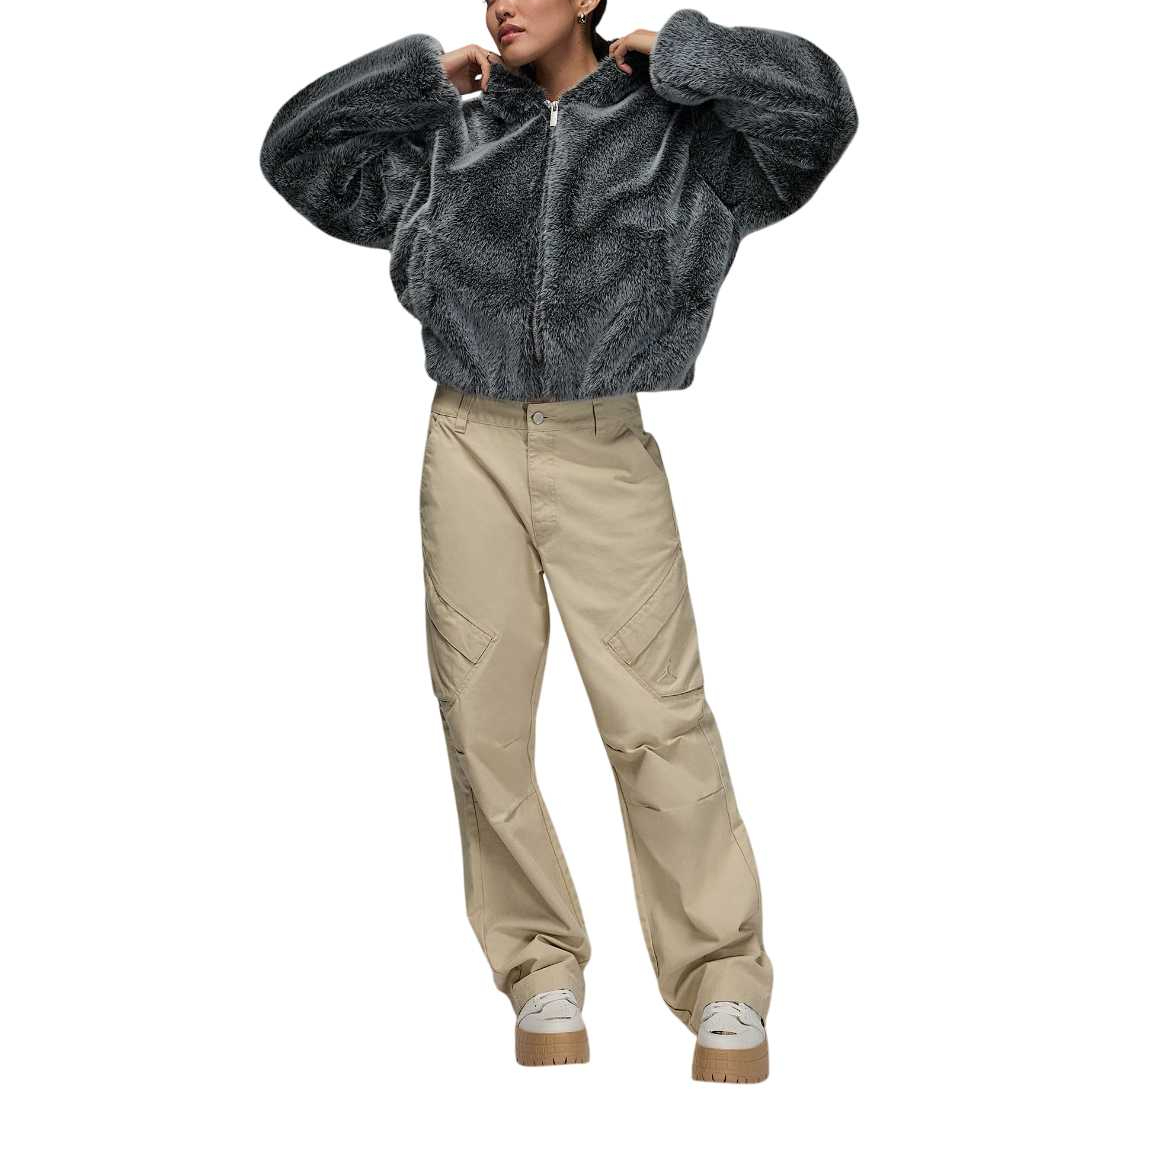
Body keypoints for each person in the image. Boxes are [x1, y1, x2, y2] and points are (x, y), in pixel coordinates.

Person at [259, 1, 857, 1082]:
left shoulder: (676, 135)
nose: (503, 4)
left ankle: (722, 977)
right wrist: (417, 81)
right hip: (467, 437)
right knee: (480, 721)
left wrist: (692, 56)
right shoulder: (453, 135)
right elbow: (295, 154)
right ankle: (539, 968)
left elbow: (821, 116)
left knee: (657, 720)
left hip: (603, 444)